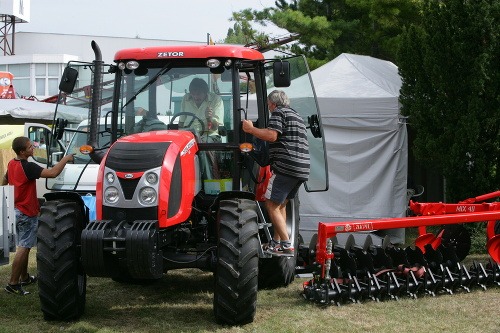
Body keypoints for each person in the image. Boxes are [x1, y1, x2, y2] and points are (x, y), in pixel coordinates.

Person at [2, 136, 74, 295]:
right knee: (25, 247)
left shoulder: (11, 163)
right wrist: (65, 159)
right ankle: (13, 284)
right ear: (22, 152)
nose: (33, 148)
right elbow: (53, 173)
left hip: (16, 211)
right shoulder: (28, 166)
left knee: (24, 245)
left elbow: (4, 180)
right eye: (29, 147)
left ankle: (25, 277)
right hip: (26, 212)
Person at [242, 90, 310, 256]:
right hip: (302, 168)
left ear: (272, 103)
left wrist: (251, 130)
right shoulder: (296, 115)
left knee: (271, 205)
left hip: (286, 167)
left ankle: (287, 244)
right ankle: (276, 243)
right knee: (281, 205)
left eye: (268, 105)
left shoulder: (279, 113)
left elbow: (272, 136)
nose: (269, 108)